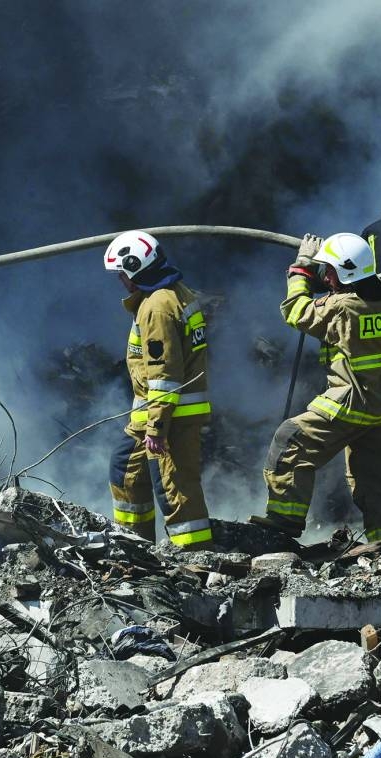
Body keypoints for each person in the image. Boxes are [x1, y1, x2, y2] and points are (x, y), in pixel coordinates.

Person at [259, 233, 381, 543]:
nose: (326, 276)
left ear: (343, 273)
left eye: (329, 271)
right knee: (378, 479)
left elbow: (295, 311)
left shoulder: (343, 307)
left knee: (290, 440)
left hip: (351, 400)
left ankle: (284, 520)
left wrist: (301, 267)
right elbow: (343, 294)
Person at [104, 231, 213, 550]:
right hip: (152, 414)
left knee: (176, 491)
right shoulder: (172, 293)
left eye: (121, 273)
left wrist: (157, 428)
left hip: (170, 415)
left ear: (135, 268)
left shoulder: (157, 307)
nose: (121, 281)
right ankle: (133, 549)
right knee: (125, 469)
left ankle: (195, 558)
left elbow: (164, 374)